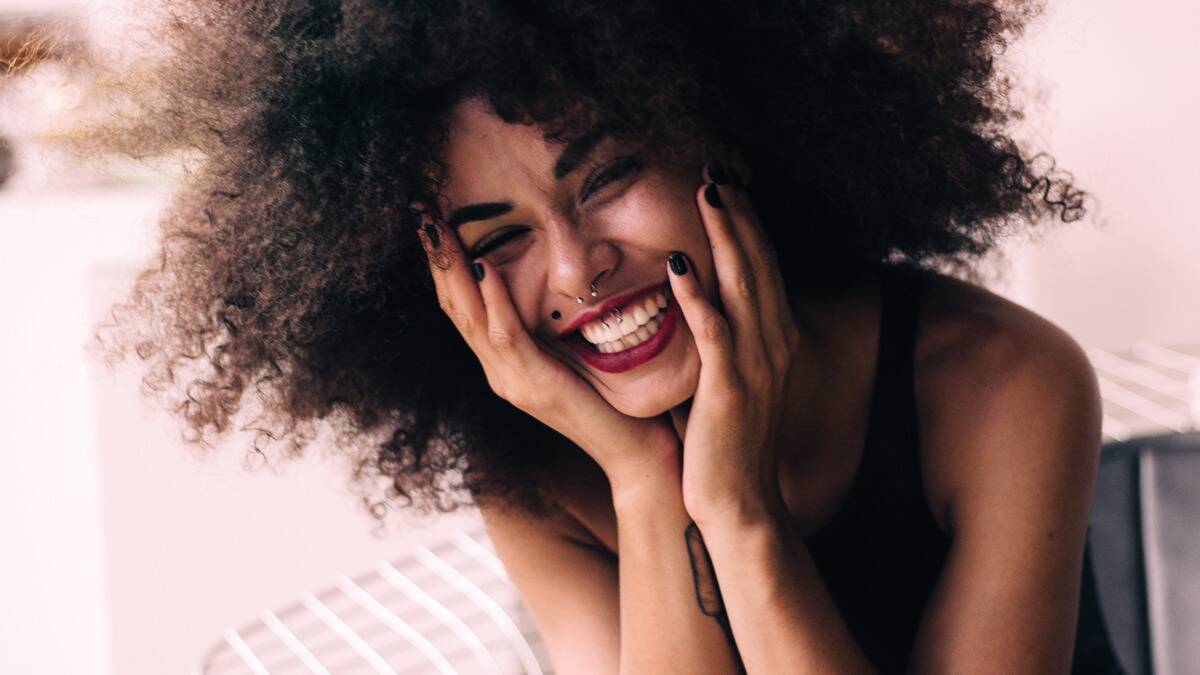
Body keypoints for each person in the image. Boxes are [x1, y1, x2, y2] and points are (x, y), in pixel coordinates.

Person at [91, 1, 1126, 672]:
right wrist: (644, 479)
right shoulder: (542, 479)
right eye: (500, 239)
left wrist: (738, 512)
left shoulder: (1002, 386)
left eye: (606, 179)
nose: (580, 268)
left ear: (722, 139)